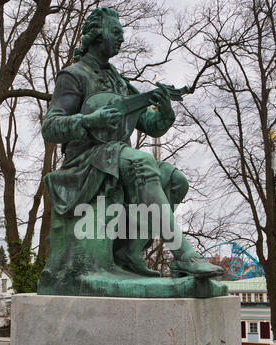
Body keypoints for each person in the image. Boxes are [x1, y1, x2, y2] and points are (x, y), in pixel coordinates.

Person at [39, 6, 222, 291]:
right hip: (87, 160)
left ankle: (130, 250)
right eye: (116, 33)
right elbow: (50, 126)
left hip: (116, 156)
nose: (122, 39)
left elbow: (151, 126)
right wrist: (89, 120)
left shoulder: (119, 81)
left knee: (175, 180)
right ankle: (184, 255)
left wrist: (164, 112)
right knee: (143, 163)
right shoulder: (74, 75)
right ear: (98, 36)